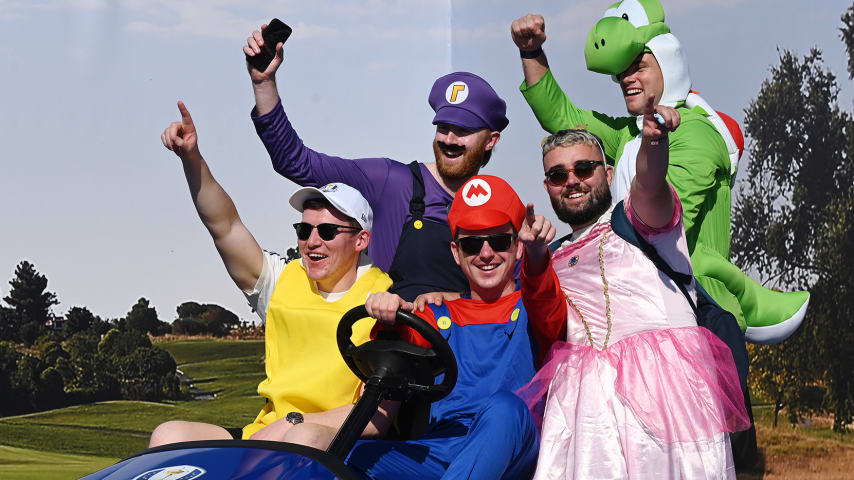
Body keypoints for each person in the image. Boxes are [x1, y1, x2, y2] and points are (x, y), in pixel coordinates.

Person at [510, 1, 809, 344]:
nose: (626, 79)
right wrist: (531, 53)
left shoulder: (697, 132)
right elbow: (562, 120)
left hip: (695, 315)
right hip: (634, 311)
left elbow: (657, 224)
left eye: (637, 66)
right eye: (621, 72)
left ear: (667, 62)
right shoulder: (628, 132)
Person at [517, 105, 751, 478]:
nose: (572, 181)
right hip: (586, 414)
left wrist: (654, 142)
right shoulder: (546, 253)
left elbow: (650, 183)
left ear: (608, 174)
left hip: (662, 392)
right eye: (558, 174)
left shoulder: (634, 220)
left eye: (584, 168)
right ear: (547, 186)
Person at [149, 102, 394, 450]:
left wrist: (295, 423)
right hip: (266, 434)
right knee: (168, 436)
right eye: (303, 229)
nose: (311, 242)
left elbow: (376, 415)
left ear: (361, 240)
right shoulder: (283, 279)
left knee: (302, 439)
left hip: (333, 445)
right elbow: (225, 227)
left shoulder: (383, 300)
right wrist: (192, 159)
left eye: (326, 231)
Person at [244, 25, 509, 300]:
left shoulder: (500, 210)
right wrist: (264, 84)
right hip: (387, 339)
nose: (449, 139)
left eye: (463, 130)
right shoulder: (391, 181)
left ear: (491, 141)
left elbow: (510, 300)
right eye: (443, 127)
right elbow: (294, 162)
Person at [347, 174, 561, 479]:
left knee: (503, 408)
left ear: (518, 246)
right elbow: (399, 345)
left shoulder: (532, 306)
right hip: (444, 448)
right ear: (455, 252)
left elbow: (546, 300)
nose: (486, 254)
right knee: (350, 456)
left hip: (512, 443)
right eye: (472, 244)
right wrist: (388, 313)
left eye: (499, 241)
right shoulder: (435, 313)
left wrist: (539, 257)